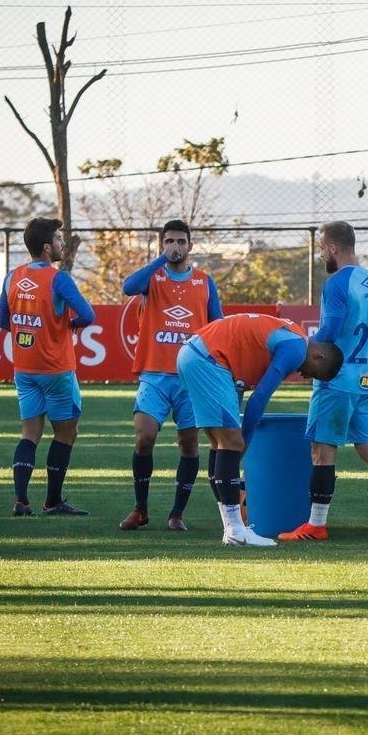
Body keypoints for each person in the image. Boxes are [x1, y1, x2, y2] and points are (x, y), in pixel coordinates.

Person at [280, 222, 368, 542]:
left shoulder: (337, 282)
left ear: (333, 248)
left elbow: (330, 332)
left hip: (337, 377)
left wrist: (303, 351)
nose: (321, 254)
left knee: (322, 450)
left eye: (322, 248)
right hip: (367, 376)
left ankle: (316, 525)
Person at [176, 313, 343, 547]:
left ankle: (232, 527)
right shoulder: (296, 350)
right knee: (232, 443)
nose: (305, 376)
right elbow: (260, 397)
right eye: (314, 373)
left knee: (219, 443)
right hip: (208, 358)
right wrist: (245, 441)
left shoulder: (293, 334)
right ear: (319, 356)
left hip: (195, 353)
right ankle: (236, 530)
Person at [118, 220, 223, 532]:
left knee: (189, 445)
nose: (175, 246)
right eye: (169, 241)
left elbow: (218, 327)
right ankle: (140, 509)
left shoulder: (204, 282)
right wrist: (161, 260)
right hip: (154, 375)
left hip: (191, 379)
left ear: (190, 245)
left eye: (180, 241)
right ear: (162, 245)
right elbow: (127, 287)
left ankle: (177, 514)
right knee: (144, 438)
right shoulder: (152, 277)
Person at [0, 217, 95, 517]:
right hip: (56, 370)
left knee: (30, 434)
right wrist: (67, 325)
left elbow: (3, 321)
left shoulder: (12, 277)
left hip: (24, 369)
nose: (62, 243)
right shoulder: (58, 278)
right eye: (58, 239)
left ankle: (20, 499)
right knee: (66, 433)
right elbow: (88, 315)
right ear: (46, 247)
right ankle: (52, 502)